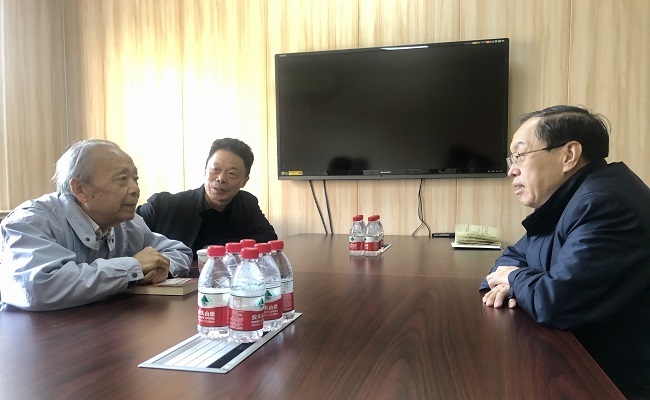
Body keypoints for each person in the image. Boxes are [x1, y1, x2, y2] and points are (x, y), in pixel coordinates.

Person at [480, 105, 650, 399]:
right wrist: (514, 282)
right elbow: (511, 258)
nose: (511, 170)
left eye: (520, 155)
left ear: (569, 155)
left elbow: (555, 302)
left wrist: (515, 280)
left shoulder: (604, 204)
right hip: (578, 361)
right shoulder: (567, 200)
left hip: (612, 382)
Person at [0, 139, 192, 311]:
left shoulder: (126, 222)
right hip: (35, 334)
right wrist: (132, 267)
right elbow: (39, 287)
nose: (135, 189)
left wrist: (160, 268)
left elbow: (179, 251)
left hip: (99, 327)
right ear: (80, 189)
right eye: (122, 179)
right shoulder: (31, 221)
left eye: (135, 179)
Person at [136, 138, 277, 259]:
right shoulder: (163, 205)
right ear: (205, 170)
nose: (221, 178)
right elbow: (129, 232)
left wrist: (222, 249)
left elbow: (268, 238)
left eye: (232, 173)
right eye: (215, 169)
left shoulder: (246, 204)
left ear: (244, 181)